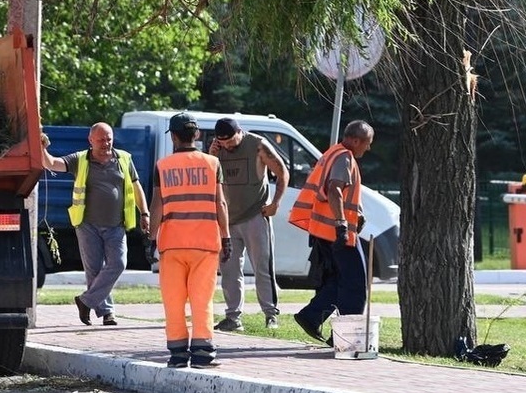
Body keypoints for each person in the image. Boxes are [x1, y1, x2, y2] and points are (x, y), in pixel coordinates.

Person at [42, 122, 150, 326]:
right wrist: (42, 148)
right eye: (101, 139)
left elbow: (137, 188)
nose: (105, 143)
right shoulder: (80, 159)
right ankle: (107, 312)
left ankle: (85, 301)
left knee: (118, 263)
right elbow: (52, 164)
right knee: (93, 269)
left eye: (108, 138)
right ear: (90, 140)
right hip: (87, 224)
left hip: (116, 224)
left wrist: (144, 213)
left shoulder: (124, 158)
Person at [149, 112, 231, 368]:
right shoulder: (213, 164)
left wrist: (151, 240)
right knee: (201, 300)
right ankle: (203, 353)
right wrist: (226, 237)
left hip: (172, 245)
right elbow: (221, 203)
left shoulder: (162, 166)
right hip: (205, 244)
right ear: (196, 135)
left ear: (173, 136)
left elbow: (157, 206)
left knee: (173, 301)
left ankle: (177, 354)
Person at [287, 120, 375, 343]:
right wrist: (341, 224)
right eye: (367, 143)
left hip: (324, 232)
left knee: (338, 280)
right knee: (355, 284)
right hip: (337, 233)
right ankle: (343, 338)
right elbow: (334, 189)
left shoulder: (333, 153)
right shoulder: (344, 156)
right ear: (355, 140)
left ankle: (311, 317)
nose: (368, 148)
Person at [208, 117, 289, 331]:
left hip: (255, 215)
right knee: (229, 270)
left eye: (231, 142)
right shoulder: (216, 150)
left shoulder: (257, 145)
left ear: (239, 132)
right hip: (228, 219)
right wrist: (212, 155)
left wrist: (276, 203)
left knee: (262, 267)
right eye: (222, 142)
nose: (227, 146)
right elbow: (207, 180)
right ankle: (233, 318)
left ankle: (271, 315)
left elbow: (282, 173)